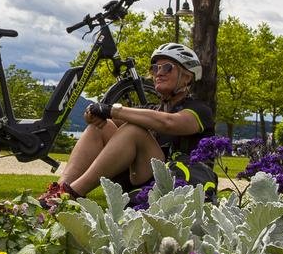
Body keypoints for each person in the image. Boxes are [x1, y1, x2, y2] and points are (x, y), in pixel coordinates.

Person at [38, 43, 214, 208]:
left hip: (176, 182)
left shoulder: (199, 110)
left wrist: (112, 110)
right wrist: (94, 115)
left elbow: (168, 123)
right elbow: (110, 121)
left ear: (187, 77)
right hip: (141, 177)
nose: (158, 73)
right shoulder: (150, 109)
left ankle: (73, 193)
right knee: (100, 127)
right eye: (154, 68)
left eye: (167, 67)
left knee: (133, 130)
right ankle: (59, 188)